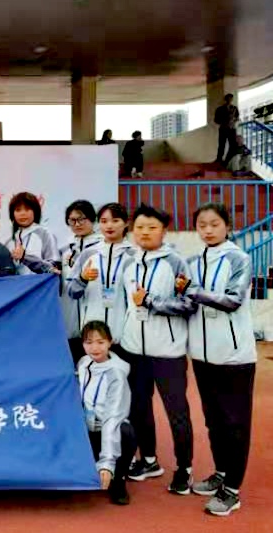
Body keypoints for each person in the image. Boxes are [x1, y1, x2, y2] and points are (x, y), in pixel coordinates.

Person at [185, 203, 256, 517]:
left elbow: (232, 300)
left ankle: (233, 490)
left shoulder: (239, 258)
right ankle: (221, 473)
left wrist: (193, 292)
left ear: (227, 225)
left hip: (234, 356)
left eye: (214, 224)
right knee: (214, 421)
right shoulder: (192, 261)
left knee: (235, 424)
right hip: (201, 355)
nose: (208, 230)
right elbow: (186, 302)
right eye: (202, 225)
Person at [120, 204, 197, 495]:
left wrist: (151, 301)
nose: (144, 232)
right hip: (133, 349)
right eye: (139, 227)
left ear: (164, 230)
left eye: (152, 227)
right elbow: (125, 305)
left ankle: (184, 469)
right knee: (139, 408)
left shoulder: (176, 262)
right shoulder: (129, 262)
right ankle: (149, 460)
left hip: (167, 352)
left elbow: (189, 304)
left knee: (177, 411)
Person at [68, 203, 135, 361]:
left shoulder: (134, 255)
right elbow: (72, 292)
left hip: (123, 336)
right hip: (92, 337)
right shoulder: (88, 254)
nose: (109, 226)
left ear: (126, 223)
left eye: (115, 220)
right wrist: (83, 279)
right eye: (104, 221)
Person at [78, 321, 135, 506]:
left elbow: (112, 420)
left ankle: (118, 481)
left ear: (110, 342)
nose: (94, 348)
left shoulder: (117, 374)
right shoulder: (83, 363)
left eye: (100, 342)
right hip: (85, 429)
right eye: (89, 342)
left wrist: (107, 463)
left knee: (126, 433)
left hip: (108, 429)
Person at [60, 201, 103, 364]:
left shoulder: (103, 247)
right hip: (69, 319)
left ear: (92, 220)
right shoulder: (65, 250)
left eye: (82, 219)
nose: (77, 224)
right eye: (72, 220)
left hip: (94, 318)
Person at [5, 192, 60, 275]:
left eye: (27, 209)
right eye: (18, 210)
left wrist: (25, 257)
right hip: (16, 287)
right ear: (12, 214)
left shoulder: (45, 234)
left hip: (40, 286)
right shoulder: (10, 242)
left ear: (35, 211)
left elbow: (54, 267)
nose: (22, 213)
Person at [214, 94, 239, 165]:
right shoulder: (219, 109)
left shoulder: (234, 108)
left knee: (233, 145)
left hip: (232, 129)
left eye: (231, 99)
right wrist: (225, 121)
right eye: (228, 99)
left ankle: (229, 159)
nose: (230, 100)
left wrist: (233, 120)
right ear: (225, 99)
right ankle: (219, 159)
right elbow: (216, 120)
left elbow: (237, 118)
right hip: (223, 128)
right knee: (221, 144)